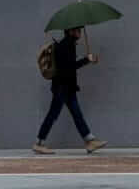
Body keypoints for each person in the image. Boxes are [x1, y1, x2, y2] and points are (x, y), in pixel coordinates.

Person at [33, 27, 107, 155]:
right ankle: (39, 143)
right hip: (62, 87)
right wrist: (87, 60)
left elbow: (70, 64)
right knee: (53, 114)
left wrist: (87, 59)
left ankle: (89, 141)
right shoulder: (66, 45)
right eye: (77, 30)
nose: (79, 33)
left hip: (67, 87)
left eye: (79, 30)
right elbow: (70, 67)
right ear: (71, 31)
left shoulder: (67, 44)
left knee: (76, 113)